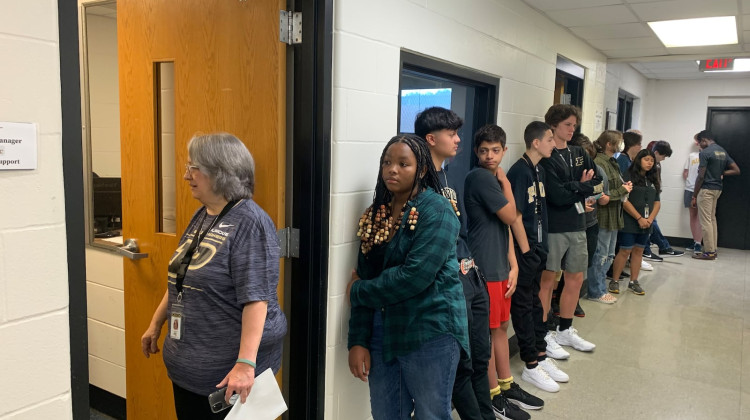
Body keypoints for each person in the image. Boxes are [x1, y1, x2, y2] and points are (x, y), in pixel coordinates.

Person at [141, 133, 287, 420]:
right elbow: (181, 277)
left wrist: (246, 364)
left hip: (229, 379)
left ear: (221, 172)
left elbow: (257, 299)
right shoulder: (204, 215)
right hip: (188, 371)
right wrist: (156, 323)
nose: (187, 176)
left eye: (194, 168)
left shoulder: (251, 223)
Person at [347, 134, 470, 420]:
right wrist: (358, 340)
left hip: (430, 330)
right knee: (386, 414)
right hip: (383, 331)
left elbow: (414, 277)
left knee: (431, 414)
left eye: (404, 164)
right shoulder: (375, 215)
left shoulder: (438, 211)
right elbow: (363, 273)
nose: (393, 169)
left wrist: (357, 291)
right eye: (387, 163)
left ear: (422, 170)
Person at [415, 107, 494, 420]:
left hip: (470, 274)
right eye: (452, 134)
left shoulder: (448, 174)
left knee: (479, 357)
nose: (459, 139)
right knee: (460, 364)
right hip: (449, 281)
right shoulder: (418, 181)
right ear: (431, 139)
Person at [464, 124, 535, 420]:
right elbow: (510, 214)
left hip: (501, 267)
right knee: (489, 332)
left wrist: (514, 264)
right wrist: (506, 183)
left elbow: (504, 228)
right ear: (476, 152)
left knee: (502, 329)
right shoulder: (480, 177)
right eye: (483, 151)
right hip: (485, 268)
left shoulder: (491, 177)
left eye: (495, 151)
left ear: (504, 150)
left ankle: (506, 385)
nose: (489, 156)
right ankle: (493, 395)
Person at [507, 121, 569, 395]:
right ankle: (530, 364)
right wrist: (526, 251)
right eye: (549, 140)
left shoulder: (539, 170)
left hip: (538, 247)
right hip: (525, 251)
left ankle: (541, 355)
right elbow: (516, 215)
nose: (553, 144)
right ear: (535, 142)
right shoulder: (519, 172)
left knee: (535, 304)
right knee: (523, 306)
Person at [539, 104, 601, 354]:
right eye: (567, 125)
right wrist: (580, 186)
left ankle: (565, 330)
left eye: (574, 125)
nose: (572, 130)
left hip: (578, 225)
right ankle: (542, 334)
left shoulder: (578, 152)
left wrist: (577, 187)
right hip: (555, 226)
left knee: (575, 277)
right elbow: (557, 196)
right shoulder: (546, 155)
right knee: (548, 280)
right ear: (553, 125)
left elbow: (596, 182)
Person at [610, 149, 661, 295]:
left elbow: (657, 202)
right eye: (646, 159)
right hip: (630, 220)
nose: (649, 163)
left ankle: (634, 281)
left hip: (647, 223)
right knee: (625, 250)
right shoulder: (628, 176)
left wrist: (649, 219)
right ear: (639, 160)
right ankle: (614, 280)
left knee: (639, 251)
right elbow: (624, 201)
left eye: (652, 160)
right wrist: (639, 218)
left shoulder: (652, 179)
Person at [590, 130, 632, 301]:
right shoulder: (599, 163)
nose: (621, 145)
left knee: (608, 255)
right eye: (619, 142)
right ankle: (596, 290)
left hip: (614, 215)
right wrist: (622, 190)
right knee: (600, 255)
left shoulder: (612, 162)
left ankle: (601, 287)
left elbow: (614, 188)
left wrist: (625, 187)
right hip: (603, 216)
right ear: (609, 144)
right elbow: (602, 195)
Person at [691, 130, 741, 260]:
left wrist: (694, 195)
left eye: (699, 142)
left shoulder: (705, 153)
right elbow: (736, 170)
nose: (699, 145)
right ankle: (713, 249)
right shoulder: (722, 151)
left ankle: (709, 252)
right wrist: (721, 173)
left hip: (706, 190)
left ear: (704, 140)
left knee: (705, 221)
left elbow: (701, 176)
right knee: (712, 220)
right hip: (718, 189)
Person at [644, 141, 684, 258]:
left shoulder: (657, 163)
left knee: (651, 222)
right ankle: (660, 247)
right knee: (651, 222)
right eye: (663, 156)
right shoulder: (648, 163)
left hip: (654, 194)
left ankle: (659, 247)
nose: (664, 159)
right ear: (656, 152)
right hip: (648, 196)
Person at [683, 136, 703, 254]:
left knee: (701, 217)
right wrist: (690, 181)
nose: (697, 143)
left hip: (703, 190)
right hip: (690, 189)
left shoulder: (708, 156)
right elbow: (685, 172)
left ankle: (698, 243)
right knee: (693, 216)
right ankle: (696, 241)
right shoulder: (692, 156)